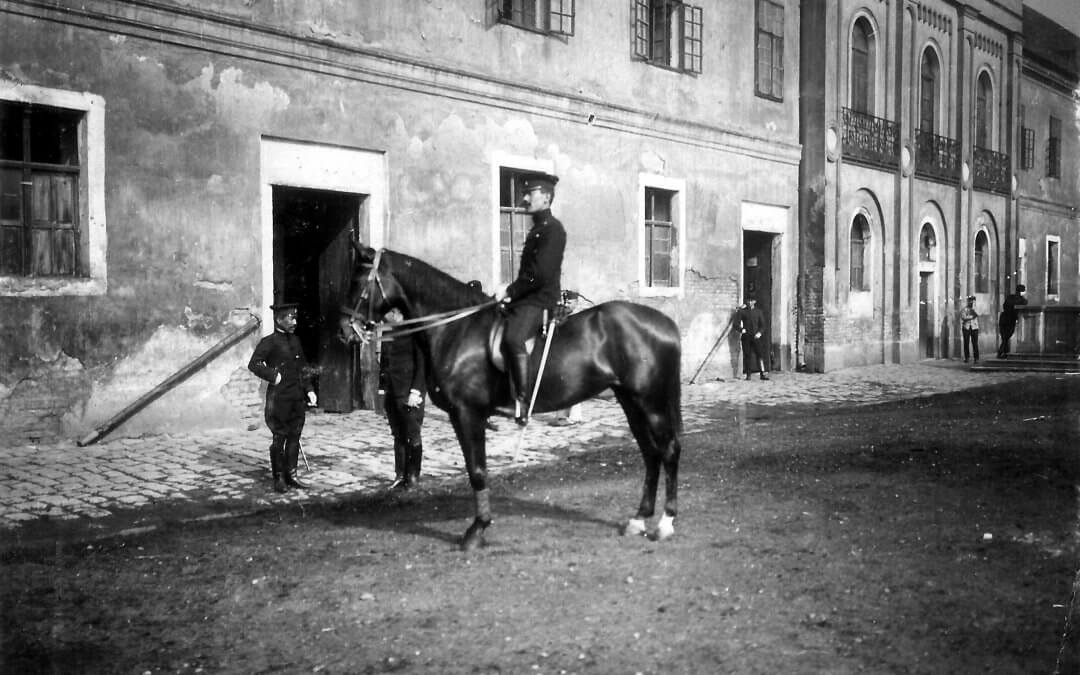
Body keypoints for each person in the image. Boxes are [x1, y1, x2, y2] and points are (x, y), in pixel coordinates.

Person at [498, 171, 566, 425]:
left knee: (513, 338)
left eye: (530, 193)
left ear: (546, 198)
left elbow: (539, 274)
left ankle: (522, 402)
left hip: (540, 300)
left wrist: (510, 292)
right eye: (524, 193)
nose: (524, 199)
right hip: (527, 298)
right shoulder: (538, 228)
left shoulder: (553, 229)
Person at [248, 301, 317, 493]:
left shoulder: (296, 341)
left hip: (297, 398)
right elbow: (254, 364)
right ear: (279, 319)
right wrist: (272, 375)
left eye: (295, 318)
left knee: (295, 436)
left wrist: (309, 389)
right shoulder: (269, 342)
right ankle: (278, 477)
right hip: (278, 400)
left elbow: (303, 368)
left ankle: (291, 475)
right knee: (280, 437)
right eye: (290, 318)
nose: (295, 322)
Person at [379, 308, 426, 490]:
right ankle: (400, 475)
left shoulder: (415, 333)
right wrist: (382, 391)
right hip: (392, 392)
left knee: (412, 434)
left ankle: (413, 477)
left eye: (389, 313)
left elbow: (423, 364)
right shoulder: (388, 333)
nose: (385, 317)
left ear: (398, 313)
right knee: (398, 434)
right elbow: (384, 365)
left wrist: (416, 391)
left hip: (409, 394)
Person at [737, 296, 770, 381]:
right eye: (748, 300)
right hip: (746, 337)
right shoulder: (742, 312)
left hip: (756, 337)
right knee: (747, 355)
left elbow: (763, 325)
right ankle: (748, 374)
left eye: (751, 301)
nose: (749, 302)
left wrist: (759, 333)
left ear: (754, 302)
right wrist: (741, 329)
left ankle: (763, 373)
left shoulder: (758, 312)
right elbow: (735, 324)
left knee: (760, 355)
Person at [997, 284, 1027, 358]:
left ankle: (1005, 353)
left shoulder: (1010, 297)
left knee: (1004, 337)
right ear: (1021, 291)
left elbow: (1004, 305)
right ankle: (1001, 352)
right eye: (1024, 291)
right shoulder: (1021, 300)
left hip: (1003, 318)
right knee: (1006, 337)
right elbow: (1024, 304)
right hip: (1010, 320)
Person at [959, 295, 980, 363]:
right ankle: (967, 357)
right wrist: (972, 317)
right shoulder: (964, 309)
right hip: (966, 327)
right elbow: (963, 317)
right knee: (966, 343)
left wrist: (973, 308)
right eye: (970, 300)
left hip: (975, 328)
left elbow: (977, 314)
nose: (971, 302)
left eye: (973, 301)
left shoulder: (976, 308)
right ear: (968, 301)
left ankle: (976, 358)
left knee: (975, 344)